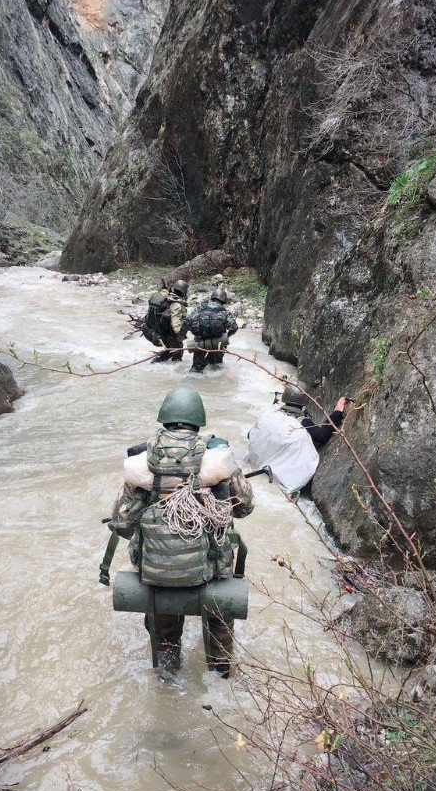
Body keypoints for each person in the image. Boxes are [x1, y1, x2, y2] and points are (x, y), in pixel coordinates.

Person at [109, 388, 254, 679]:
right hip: (212, 568)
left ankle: (168, 672)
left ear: (164, 417)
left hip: (158, 572)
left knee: (164, 630)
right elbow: (244, 508)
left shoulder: (143, 458)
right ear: (198, 420)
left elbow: (123, 523)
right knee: (219, 619)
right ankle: (221, 671)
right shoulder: (217, 456)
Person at [247, 381, 349, 493]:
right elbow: (322, 436)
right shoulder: (303, 422)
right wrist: (337, 412)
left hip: (258, 462)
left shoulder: (271, 414)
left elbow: (251, 434)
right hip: (282, 473)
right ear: (304, 401)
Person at [184, 288, 238, 373]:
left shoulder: (199, 309)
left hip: (200, 345)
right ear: (223, 300)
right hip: (218, 345)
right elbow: (234, 327)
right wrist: (227, 336)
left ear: (212, 298)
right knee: (216, 369)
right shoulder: (224, 312)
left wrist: (182, 335)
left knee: (196, 370)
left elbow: (187, 322)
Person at [141, 280, 188, 363]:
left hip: (156, 332)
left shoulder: (166, 298)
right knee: (178, 350)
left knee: (170, 350)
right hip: (166, 335)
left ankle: (156, 362)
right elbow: (176, 325)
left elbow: (163, 291)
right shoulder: (176, 304)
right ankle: (173, 368)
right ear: (184, 292)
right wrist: (182, 336)